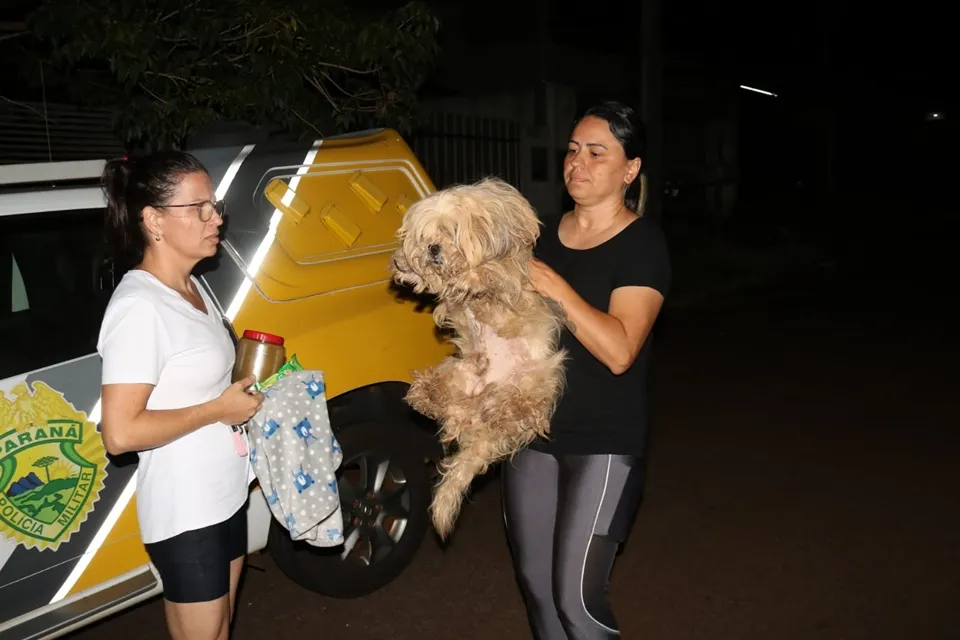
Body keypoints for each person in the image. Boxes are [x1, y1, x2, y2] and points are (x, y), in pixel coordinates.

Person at [503, 101, 672, 639]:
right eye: (573, 150)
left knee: (577, 600)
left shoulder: (642, 244)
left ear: (630, 169)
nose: (578, 162)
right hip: (533, 435)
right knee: (536, 588)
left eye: (598, 153)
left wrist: (556, 288)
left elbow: (620, 350)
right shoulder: (539, 234)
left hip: (604, 443)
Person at [97, 151, 264, 640]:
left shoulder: (192, 286)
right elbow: (120, 433)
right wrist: (216, 410)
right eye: (200, 208)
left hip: (225, 495)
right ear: (154, 221)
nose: (217, 219)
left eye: (216, 206)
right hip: (187, 510)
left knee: (220, 630)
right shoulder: (138, 307)